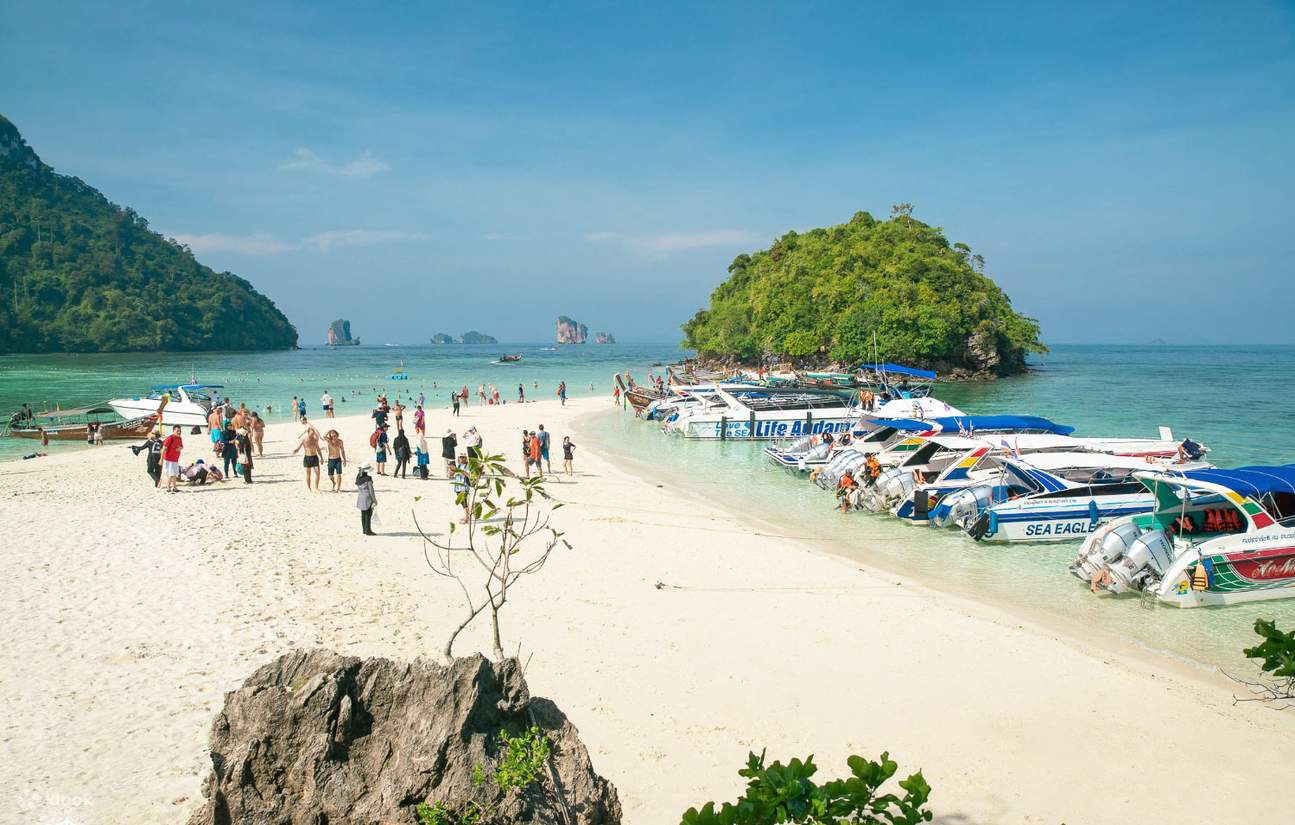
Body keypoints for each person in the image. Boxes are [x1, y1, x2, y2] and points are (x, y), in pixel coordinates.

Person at [292, 417, 323, 491]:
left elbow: (318, 449)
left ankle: (316, 487)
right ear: (308, 432)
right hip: (307, 458)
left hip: (315, 457)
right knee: (308, 474)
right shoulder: (304, 440)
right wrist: (296, 450)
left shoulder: (315, 440)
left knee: (318, 473)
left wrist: (321, 457)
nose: (312, 434)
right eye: (311, 433)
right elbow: (298, 448)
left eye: (313, 433)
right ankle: (309, 488)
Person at [355, 463, 377, 536]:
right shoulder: (368, 479)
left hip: (360, 497)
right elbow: (371, 490)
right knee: (368, 514)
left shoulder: (358, 478)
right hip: (367, 497)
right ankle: (368, 531)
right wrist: (374, 500)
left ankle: (364, 530)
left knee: (363, 514)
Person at [161, 425, 184, 492]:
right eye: (177, 431)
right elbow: (164, 449)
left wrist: (180, 448)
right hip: (168, 459)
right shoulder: (170, 438)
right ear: (173, 431)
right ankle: (168, 488)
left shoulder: (179, 438)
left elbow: (182, 447)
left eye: (180, 431)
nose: (179, 432)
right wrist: (161, 459)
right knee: (170, 474)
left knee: (175, 474)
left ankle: (174, 488)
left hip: (175, 459)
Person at [452, 453, 471, 523]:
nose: (462, 459)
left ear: (465, 458)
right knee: (461, 502)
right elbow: (453, 475)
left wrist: (460, 471)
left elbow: (468, 475)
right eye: (460, 457)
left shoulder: (467, 466)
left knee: (464, 501)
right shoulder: (459, 465)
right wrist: (452, 470)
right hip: (458, 487)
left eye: (463, 457)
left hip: (464, 486)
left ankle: (467, 517)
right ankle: (467, 515)